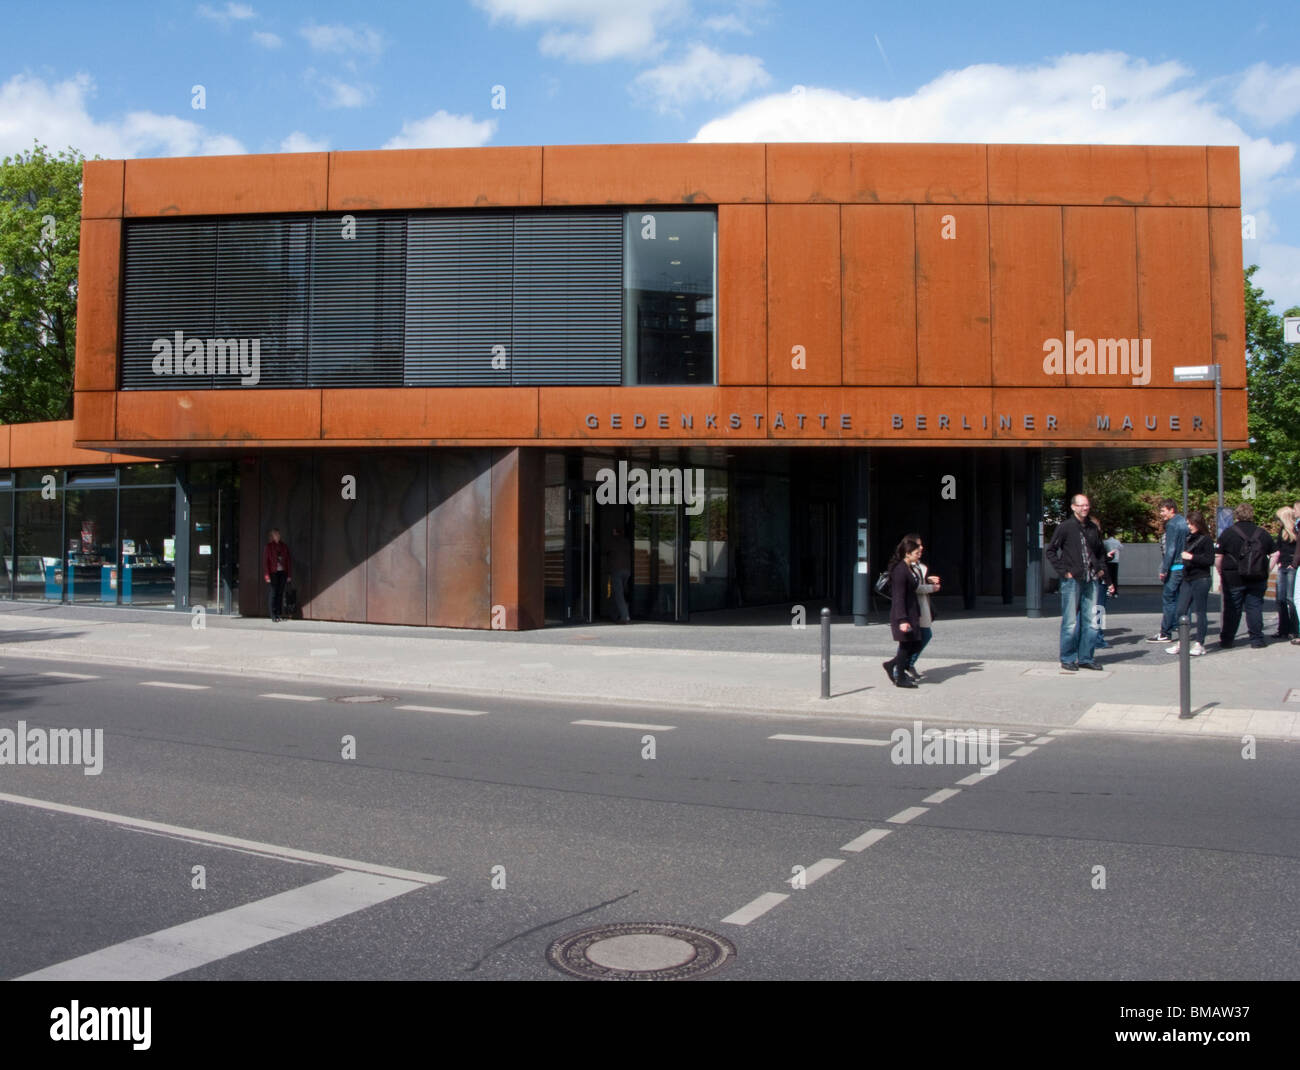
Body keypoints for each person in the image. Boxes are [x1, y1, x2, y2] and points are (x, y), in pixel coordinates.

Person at [1045, 494, 1114, 672]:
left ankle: (1086, 657)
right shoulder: (1066, 527)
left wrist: (1101, 571)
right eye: (1081, 505)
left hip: (1091, 579)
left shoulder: (1092, 527)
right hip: (1072, 579)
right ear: (1073, 507)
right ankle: (1067, 658)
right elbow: (1051, 551)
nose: (1085, 508)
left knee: (1091, 621)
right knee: (1070, 622)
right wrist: (1064, 572)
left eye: (1087, 505)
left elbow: (1099, 551)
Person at [1215, 502, 1275, 649]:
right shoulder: (1262, 533)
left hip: (1233, 577)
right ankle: (1257, 640)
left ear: (1237, 516)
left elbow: (1218, 557)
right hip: (1257, 576)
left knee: (1232, 609)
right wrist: (1267, 570)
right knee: (1254, 607)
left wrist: (1220, 572)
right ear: (1252, 515)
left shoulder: (1228, 533)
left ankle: (1227, 640)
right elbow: (1275, 554)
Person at [1165, 511, 1214, 656]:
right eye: (1188, 523)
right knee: (1181, 610)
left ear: (1198, 523)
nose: (1189, 526)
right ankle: (1182, 641)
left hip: (1201, 578)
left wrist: (1192, 557)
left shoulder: (1206, 540)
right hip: (1188, 578)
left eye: (1191, 523)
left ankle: (1200, 643)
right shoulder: (1188, 538)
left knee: (1200, 611)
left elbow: (1209, 560)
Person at [882, 534, 924, 689]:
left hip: (911, 612)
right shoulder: (900, 570)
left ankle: (891, 665)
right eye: (916, 553)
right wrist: (902, 620)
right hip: (904, 614)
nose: (919, 554)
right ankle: (899, 677)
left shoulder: (909, 567)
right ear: (907, 553)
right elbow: (898, 597)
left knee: (915, 643)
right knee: (906, 646)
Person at [1147, 499, 1188, 643]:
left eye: (1163, 510)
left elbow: (1170, 549)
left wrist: (1164, 569)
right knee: (1183, 599)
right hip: (1186, 566)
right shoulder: (1184, 522)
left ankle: (1165, 632)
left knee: (1169, 599)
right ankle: (1182, 629)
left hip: (1175, 566)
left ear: (1171, 510)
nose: (1161, 514)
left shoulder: (1172, 524)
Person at [903, 551, 941, 680]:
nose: (921, 550)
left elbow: (918, 581)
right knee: (913, 638)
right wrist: (931, 587)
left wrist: (928, 580)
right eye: (917, 548)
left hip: (921, 606)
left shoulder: (918, 565)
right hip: (913, 606)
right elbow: (914, 586)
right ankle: (901, 666)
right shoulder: (905, 566)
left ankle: (907, 664)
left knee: (923, 635)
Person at [1270, 506, 1297, 639]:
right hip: (1283, 566)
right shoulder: (1282, 531)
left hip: (1292, 567)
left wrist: (1293, 564)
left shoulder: (1296, 530)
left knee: (1290, 599)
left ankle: (1294, 628)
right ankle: (1283, 629)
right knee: (1280, 599)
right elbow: (1278, 548)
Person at [263, 528, 292, 622]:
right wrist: (267, 575)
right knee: (273, 593)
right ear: (272, 536)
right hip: (273, 573)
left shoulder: (284, 546)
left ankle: (279, 613)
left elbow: (288, 561)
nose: (278, 536)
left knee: (280, 593)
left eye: (278, 534)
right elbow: (265, 562)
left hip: (282, 572)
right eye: (275, 534)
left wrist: (289, 575)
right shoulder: (269, 547)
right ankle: (273, 614)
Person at [605, 526, 631, 624]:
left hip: (616, 570)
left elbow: (605, 550)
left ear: (615, 532)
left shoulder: (612, 541)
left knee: (618, 594)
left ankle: (625, 616)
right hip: (627, 570)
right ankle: (614, 615)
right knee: (618, 593)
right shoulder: (626, 541)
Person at [1102, 531, 1121, 596]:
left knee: (1108, 576)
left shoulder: (1106, 542)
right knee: (1114, 577)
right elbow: (1121, 547)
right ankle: (1115, 592)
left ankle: (1109, 591)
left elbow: (1102, 547)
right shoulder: (1117, 541)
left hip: (1108, 560)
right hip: (1116, 560)